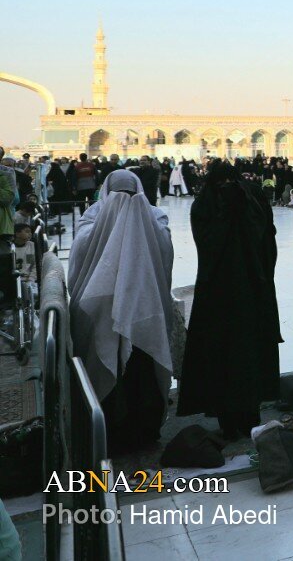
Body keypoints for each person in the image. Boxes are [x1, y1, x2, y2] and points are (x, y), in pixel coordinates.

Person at [67, 170, 175, 455]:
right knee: (137, 374)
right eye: (119, 196)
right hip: (134, 311)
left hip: (130, 313)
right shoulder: (151, 217)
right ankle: (136, 431)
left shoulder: (95, 218)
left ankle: (118, 433)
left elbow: (77, 264)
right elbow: (164, 258)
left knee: (132, 372)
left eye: (127, 197)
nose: (123, 201)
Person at [177, 161, 281, 439]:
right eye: (221, 185)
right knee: (222, 357)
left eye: (230, 184)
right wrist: (227, 214)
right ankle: (226, 418)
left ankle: (249, 415)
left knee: (248, 356)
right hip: (219, 295)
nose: (226, 189)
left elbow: (265, 237)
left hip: (249, 290)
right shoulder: (205, 206)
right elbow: (208, 244)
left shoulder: (249, 202)